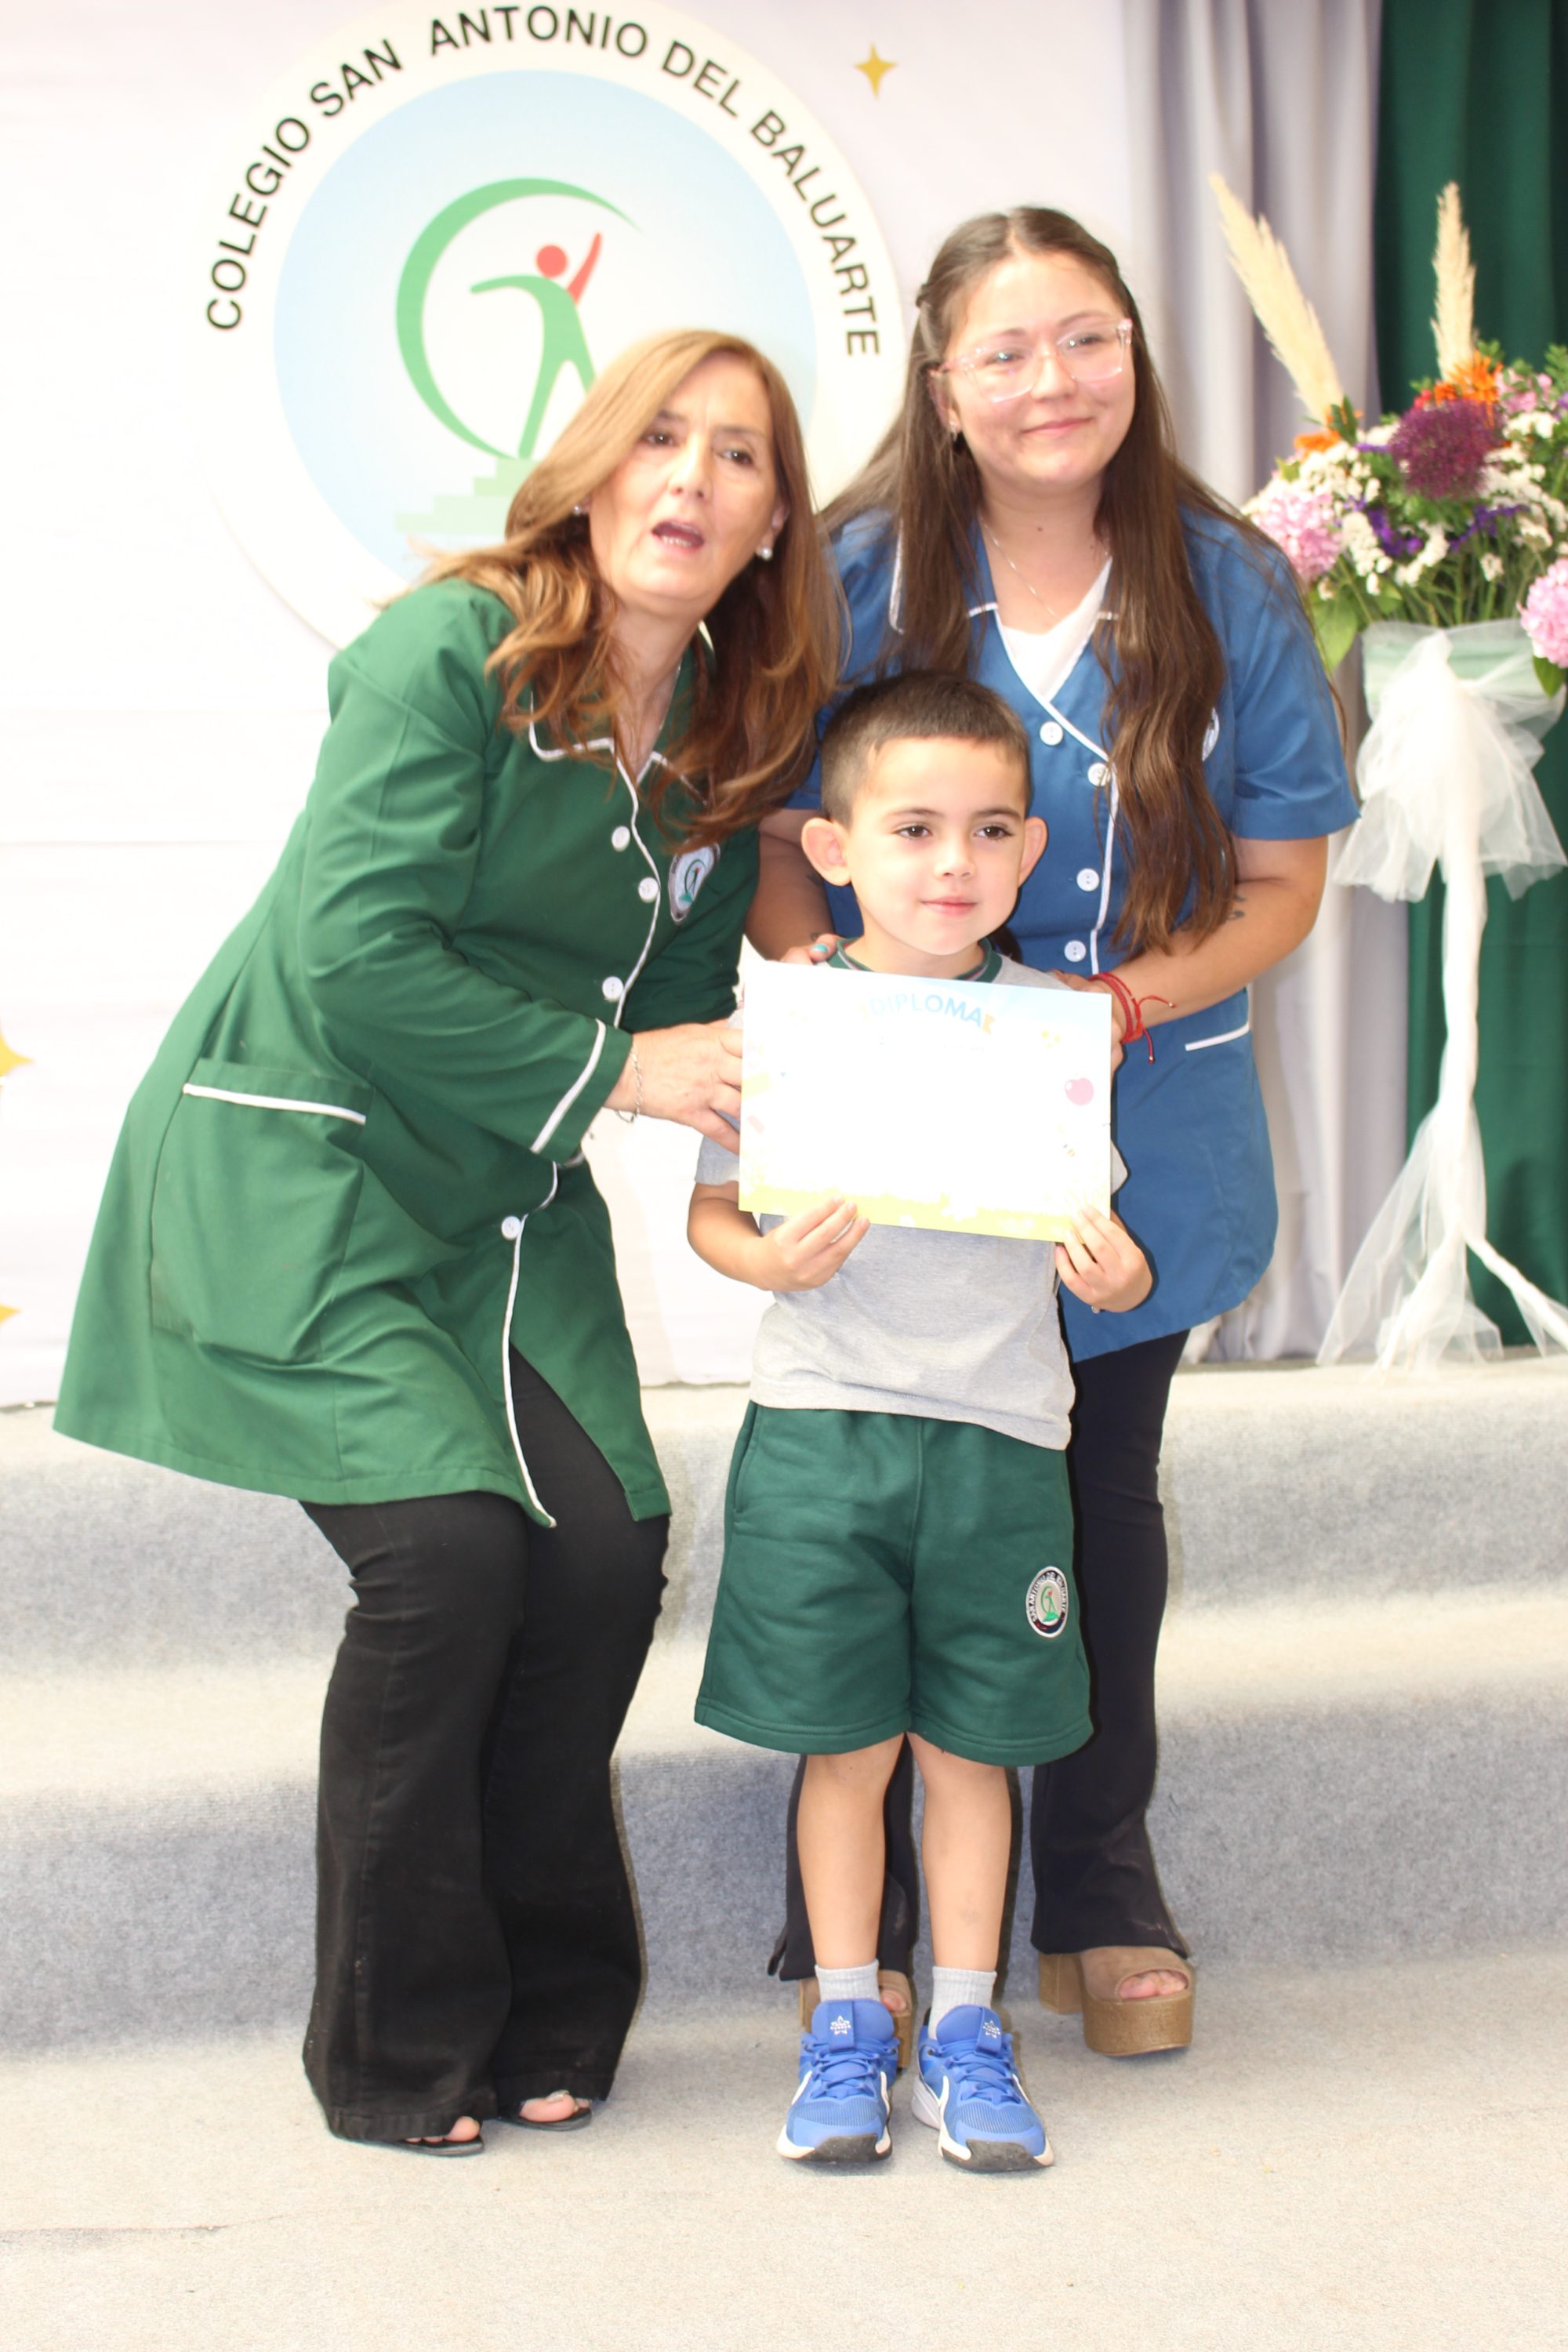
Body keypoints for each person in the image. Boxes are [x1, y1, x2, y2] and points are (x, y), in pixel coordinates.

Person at [54, 328, 837, 2152]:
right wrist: (621, 1074)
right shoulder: (448, 654)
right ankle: (392, 2043)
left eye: (737, 455)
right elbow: (354, 955)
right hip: (306, 1173)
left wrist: (807, 1167)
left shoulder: (729, 732)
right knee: (450, 1561)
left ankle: (551, 2005)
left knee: (603, 1552)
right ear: (590, 464)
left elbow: (695, 1013)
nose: (691, 477)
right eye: (659, 436)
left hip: (500, 1205)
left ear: (770, 523)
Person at [750, 209, 1358, 2056]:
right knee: (878, 1498)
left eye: (1086, 339)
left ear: (1134, 358)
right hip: (900, 1145)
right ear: (941, 387)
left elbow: (1280, 883)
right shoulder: (848, 576)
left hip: (1136, 1124)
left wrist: (1121, 1005)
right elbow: (774, 846)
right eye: (1004, 352)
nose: (1052, 383)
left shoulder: (1225, 585)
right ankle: (852, 1920)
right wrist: (841, 1023)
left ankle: (1099, 1886)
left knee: (1092, 1505)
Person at [689, 673, 1151, 2168]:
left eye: (990, 830)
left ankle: (964, 2028)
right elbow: (713, 1212)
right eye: (914, 829)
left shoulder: (1052, 1033)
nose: (954, 862)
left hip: (1001, 1439)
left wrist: (1120, 1274)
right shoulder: (791, 1018)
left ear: (1029, 853)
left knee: (971, 1752)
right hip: (825, 1429)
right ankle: (846, 2020)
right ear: (832, 849)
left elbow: (1103, 1236)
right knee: (847, 1750)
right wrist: (767, 1260)